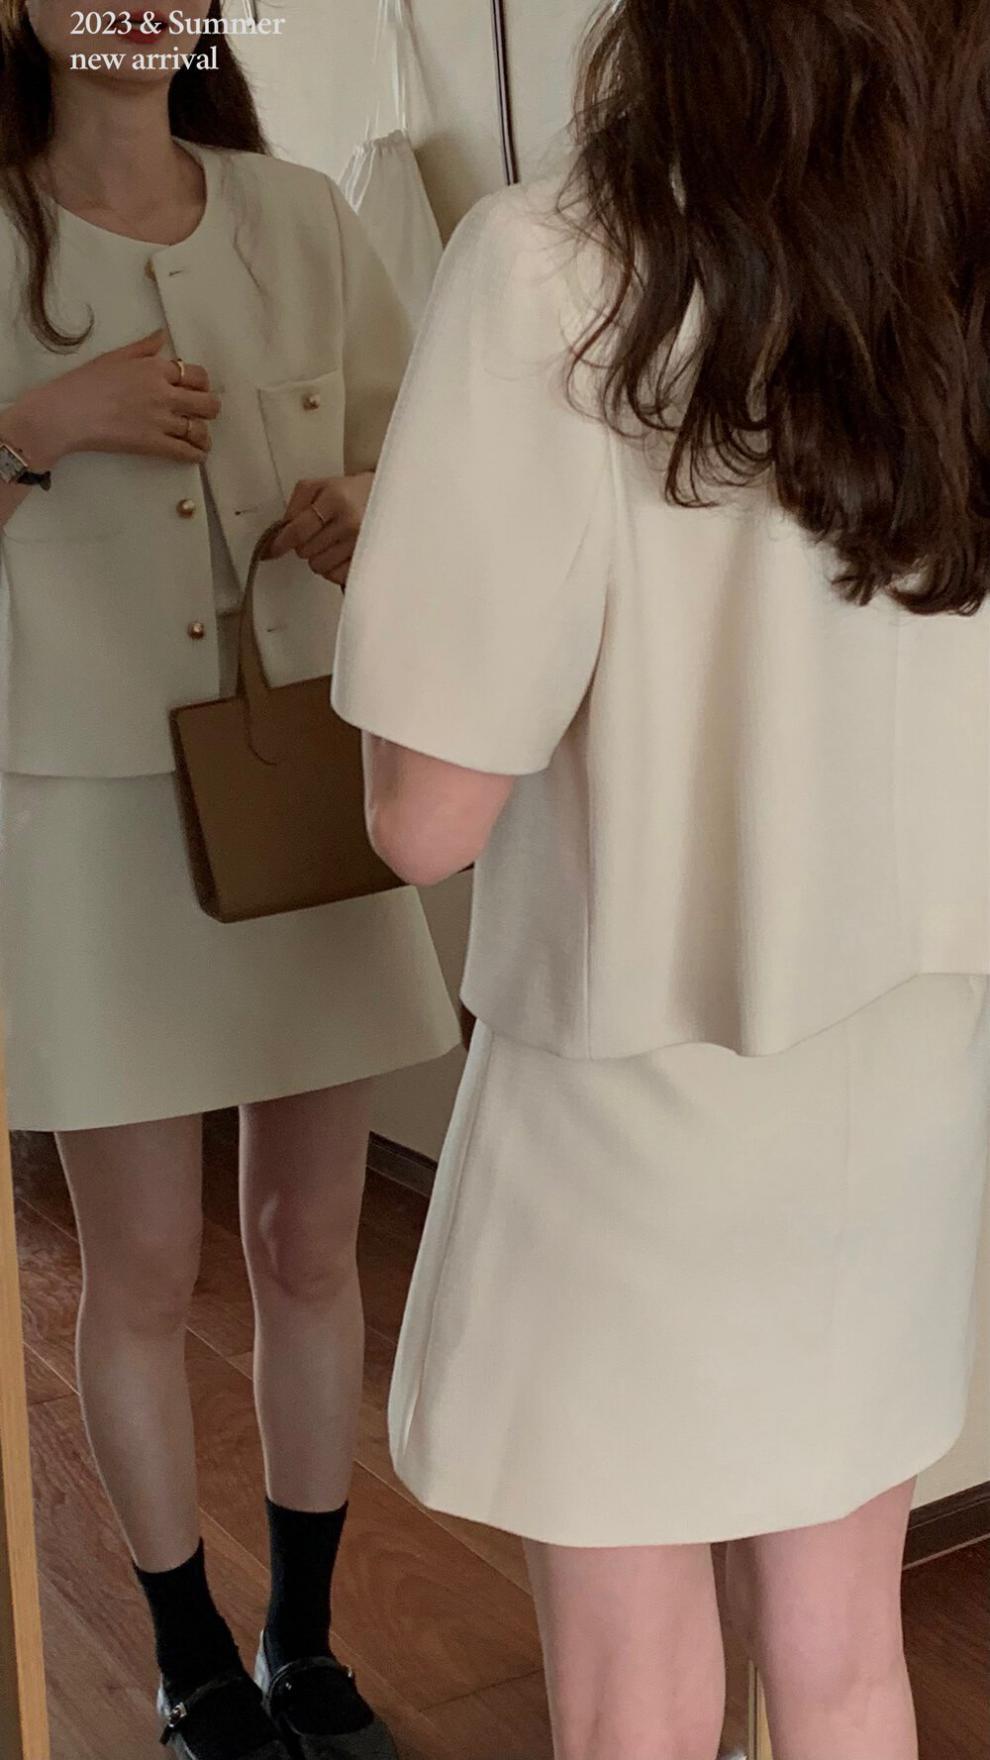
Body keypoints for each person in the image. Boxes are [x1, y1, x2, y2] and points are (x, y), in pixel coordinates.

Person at [330, 2, 990, 1757]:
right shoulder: (953, 275)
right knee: (842, 1652)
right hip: (907, 1077)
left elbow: (422, 817)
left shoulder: (556, 269)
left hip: (635, 1093)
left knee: (635, 1689)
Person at [0, 5, 459, 1758]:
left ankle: (306, 1645)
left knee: (304, 1245)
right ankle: (189, 1658)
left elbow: (434, 462)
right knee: (136, 1267)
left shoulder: (298, 217)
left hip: (295, 789)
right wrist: (39, 426)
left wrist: (363, 494)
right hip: (90, 817)